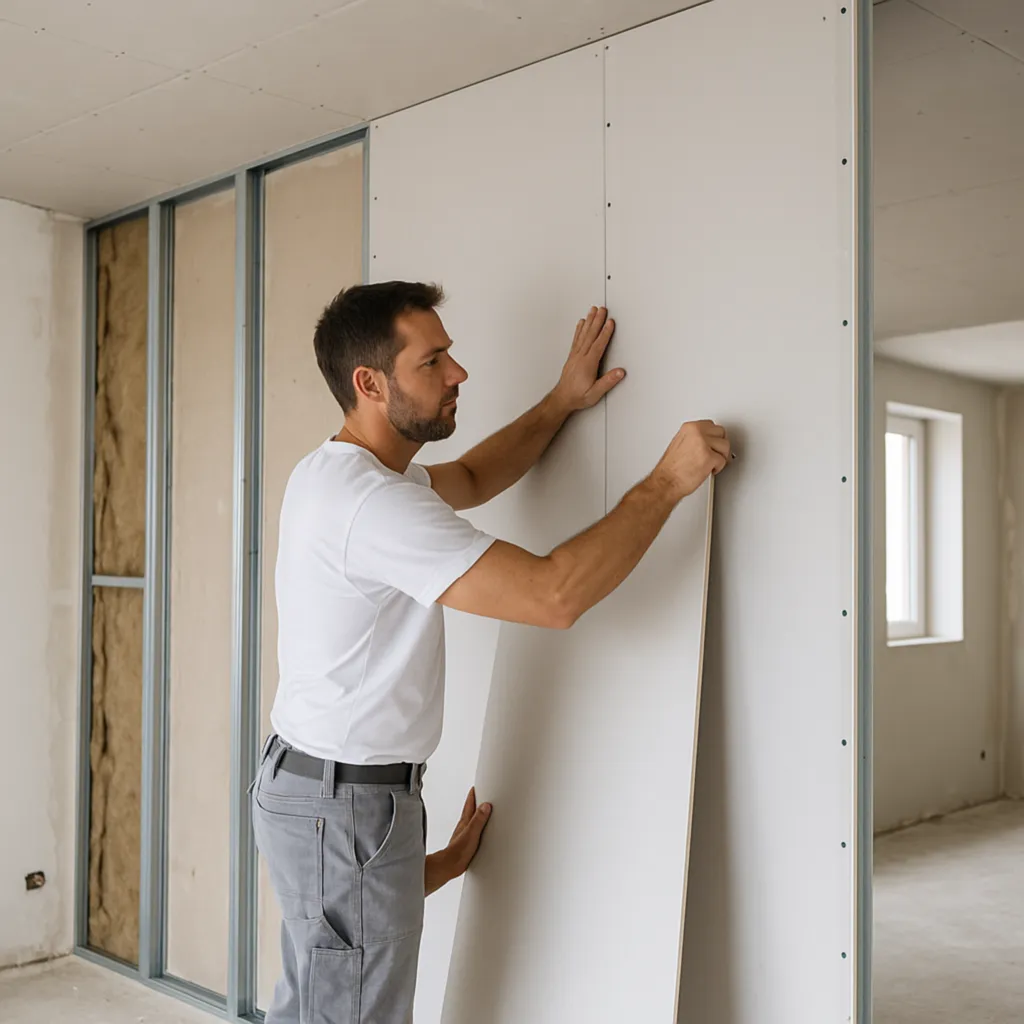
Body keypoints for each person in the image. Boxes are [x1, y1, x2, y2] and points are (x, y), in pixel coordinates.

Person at [251, 282, 731, 1023]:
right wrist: (667, 482)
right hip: (343, 809)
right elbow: (553, 596)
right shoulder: (372, 505)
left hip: (324, 796)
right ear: (370, 384)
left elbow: (472, 477)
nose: (458, 373)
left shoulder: (342, 472)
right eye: (432, 361)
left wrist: (561, 402)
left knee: (322, 1002)